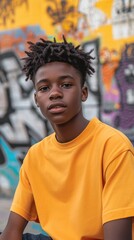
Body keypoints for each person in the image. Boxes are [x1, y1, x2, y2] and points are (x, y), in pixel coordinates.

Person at [0, 36, 134, 240]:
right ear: (37, 99)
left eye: (65, 85)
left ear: (84, 93)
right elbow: (11, 232)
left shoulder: (113, 147)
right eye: (44, 88)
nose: (54, 93)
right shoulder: (35, 156)